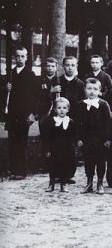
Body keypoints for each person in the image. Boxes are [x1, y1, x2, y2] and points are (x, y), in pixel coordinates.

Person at [6, 46, 37, 180]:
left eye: (22, 56)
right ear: (14, 57)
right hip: (12, 113)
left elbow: (35, 96)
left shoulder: (30, 74)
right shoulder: (11, 73)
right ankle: (12, 169)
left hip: (24, 113)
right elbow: (6, 95)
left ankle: (21, 171)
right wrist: (5, 88)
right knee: (12, 140)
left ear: (26, 57)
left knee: (21, 141)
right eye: (17, 56)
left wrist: (32, 113)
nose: (20, 59)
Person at [75, 78, 112, 194]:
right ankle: (89, 182)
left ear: (99, 91)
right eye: (89, 89)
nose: (92, 91)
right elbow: (77, 123)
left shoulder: (104, 105)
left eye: (95, 89)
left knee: (101, 162)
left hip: (100, 139)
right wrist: (79, 138)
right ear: (85, 90)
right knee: (89, 161)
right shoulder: (81, 105)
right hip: (87, 139)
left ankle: (100, 183)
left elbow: (108, 123)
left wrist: (107, 139)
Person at [42, 97, 76, 192]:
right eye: (59, 108)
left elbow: (73, 136)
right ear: (55, 109)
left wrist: (73, 147)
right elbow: (47, 137)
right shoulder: (51, 121)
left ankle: (64, 184)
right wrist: (48, 149)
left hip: (66, 149)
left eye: (64, 108)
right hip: (54, 149)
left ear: (68, 110)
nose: (62, 110)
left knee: (65, 166)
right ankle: (51, 184)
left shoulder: (70, 122)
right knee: (53, 166)